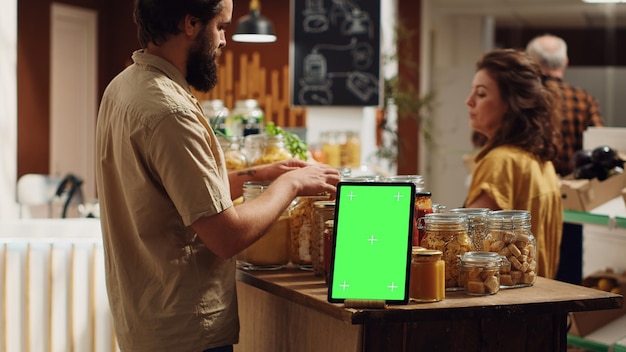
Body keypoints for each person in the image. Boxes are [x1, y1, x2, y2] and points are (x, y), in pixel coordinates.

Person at [95, 1, 341, 351]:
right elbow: (226, 235)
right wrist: (292, 184)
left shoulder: (124, 87)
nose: (225, 40)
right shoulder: (171, 112)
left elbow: (180, 193)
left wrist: (262, 174)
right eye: (221, 26)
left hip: (146, 320)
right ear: (191, 23)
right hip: (186, 330)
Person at [464, 48, 563, 279]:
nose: (469, 101)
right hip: (540, 299)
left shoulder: (500, 162)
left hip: (504, 304)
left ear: (510, 103)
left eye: (481, 94)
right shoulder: (541, 161)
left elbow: (469, 245)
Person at [526, 34, 604, 176]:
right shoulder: (584, 99)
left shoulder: (525, 97)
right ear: (565, 62)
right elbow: (598, 148)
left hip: (533, 181)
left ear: (531, 63)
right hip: (574, 187)